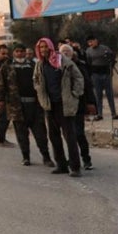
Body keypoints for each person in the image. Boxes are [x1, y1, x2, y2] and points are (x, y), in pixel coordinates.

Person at [32, 37, 86, 177]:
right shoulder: (40, 65)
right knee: (54, 137)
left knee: (70, 137)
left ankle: (75, 167)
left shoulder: (62, 61)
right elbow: (36, 80)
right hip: (50, 106)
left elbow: (78, 77)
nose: (43, 50)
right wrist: (40, 94)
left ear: (51, 47)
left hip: (64, 104)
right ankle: (61, 165)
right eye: (41, 47)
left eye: (45, 47)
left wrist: (75, 93)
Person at [0, 43, 52, 166]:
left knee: (40, 133)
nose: (19, 53)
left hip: (35, 105)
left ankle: (46, 157)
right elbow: (0, 84)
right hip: (17, 106)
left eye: (22, 51)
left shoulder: (33, 65)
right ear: (13, 53)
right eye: (17, 51)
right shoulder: (7, 66)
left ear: (25, 53)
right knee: (21, 134)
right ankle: (26, 157)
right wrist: (0, 100)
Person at [59, 43, 95, 170]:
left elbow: (87, 85)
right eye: (63, 52)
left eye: (67, 52)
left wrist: (91, 103)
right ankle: (73, 159)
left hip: (78, 104)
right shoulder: (57, 66)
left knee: (79, 133)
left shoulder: (80, 66)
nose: (65, 54)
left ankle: (86, 158)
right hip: (64, 106)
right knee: (68, 135)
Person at [85, 35, 118, 120]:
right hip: (95, 75)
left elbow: (112, 59)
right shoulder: (88, 51)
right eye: (89, 42)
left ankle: (113, 113)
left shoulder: (105, 48)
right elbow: (88, 63)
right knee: (98, 95)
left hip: (106, 74)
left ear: (96, 40)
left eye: (92, 41)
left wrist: (110, 67)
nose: (91, 44)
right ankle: (100, 114)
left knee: (110, 94)